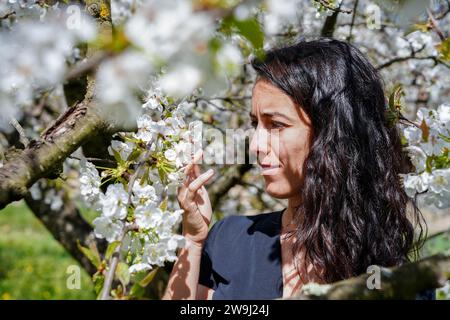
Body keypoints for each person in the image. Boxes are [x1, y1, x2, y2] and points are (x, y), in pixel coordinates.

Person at [162, 37, 433, 300]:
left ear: (332, 133)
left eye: (276, 125)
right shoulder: (230, 240)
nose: (256, 144)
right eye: (256, 124)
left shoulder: (389, 274)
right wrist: (194, 242)